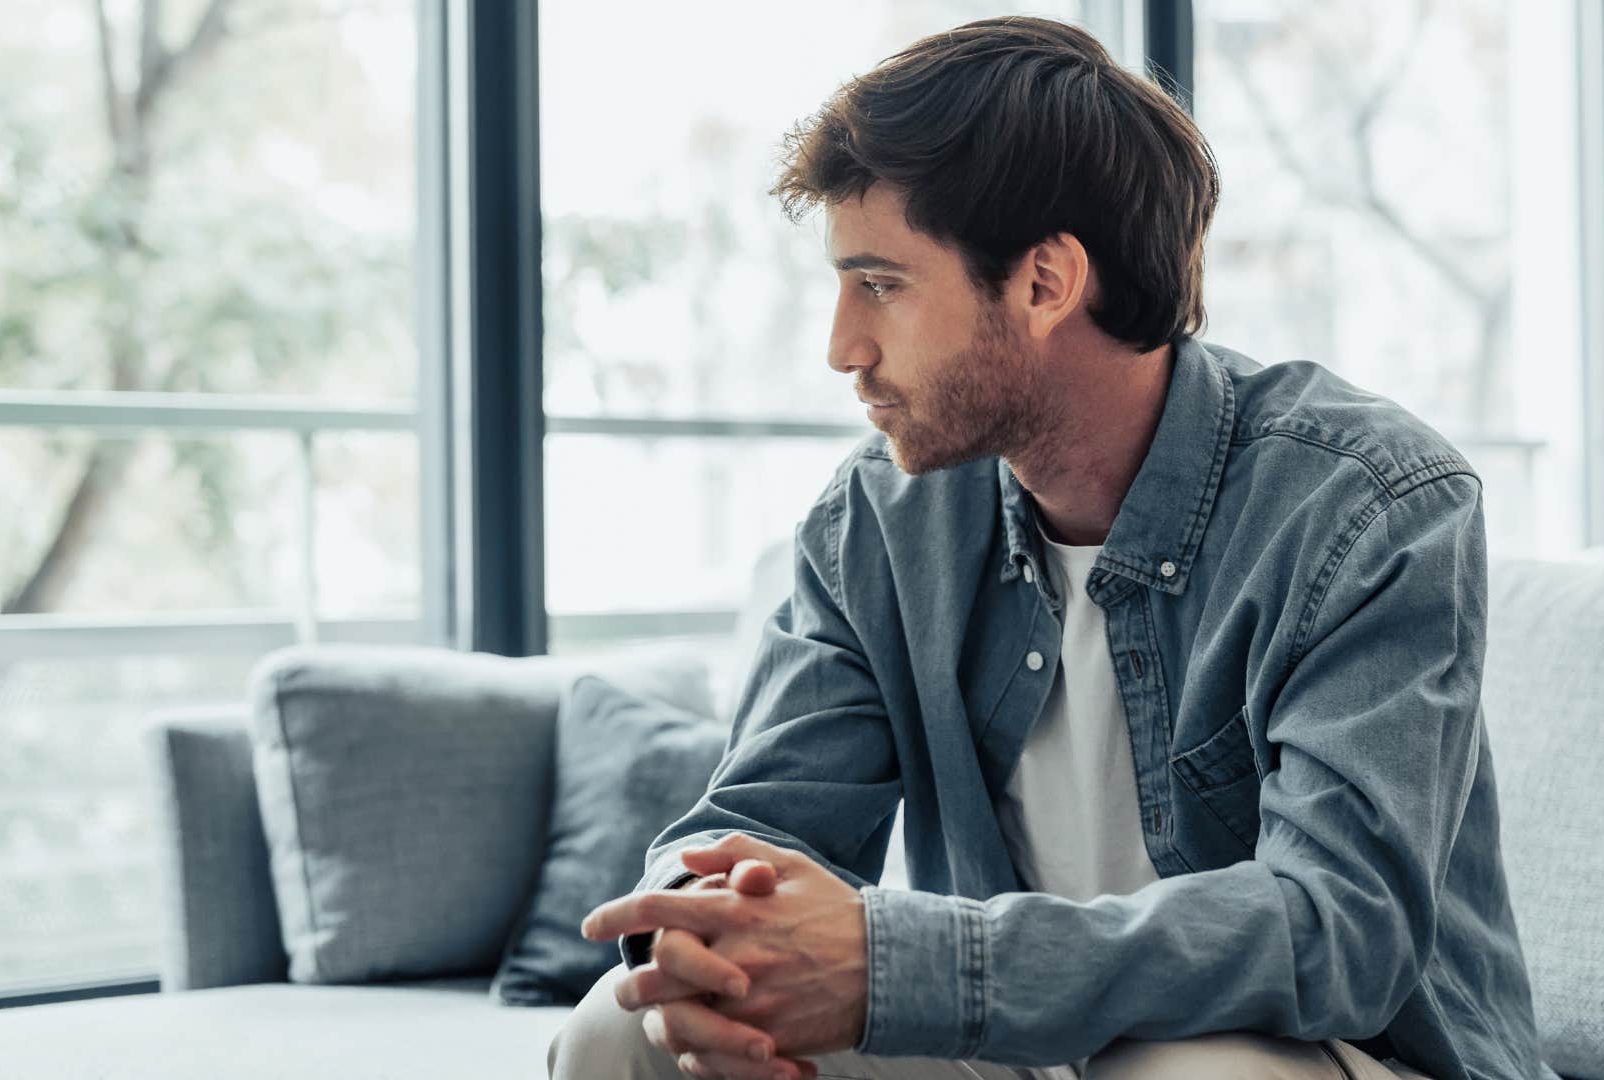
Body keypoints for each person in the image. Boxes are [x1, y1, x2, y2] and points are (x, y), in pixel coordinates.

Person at [550, 15, 1549, 1080]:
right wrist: (713, 943)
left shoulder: (1367, 506)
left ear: (1044, 283)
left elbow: (1340, 930)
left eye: (881, 284)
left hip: (1319, 1052)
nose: (842, 346)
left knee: (1186, 1073)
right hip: (1009, 1046)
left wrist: (908, 963)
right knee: (625, 1030)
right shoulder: (882, 524)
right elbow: (755, 823)